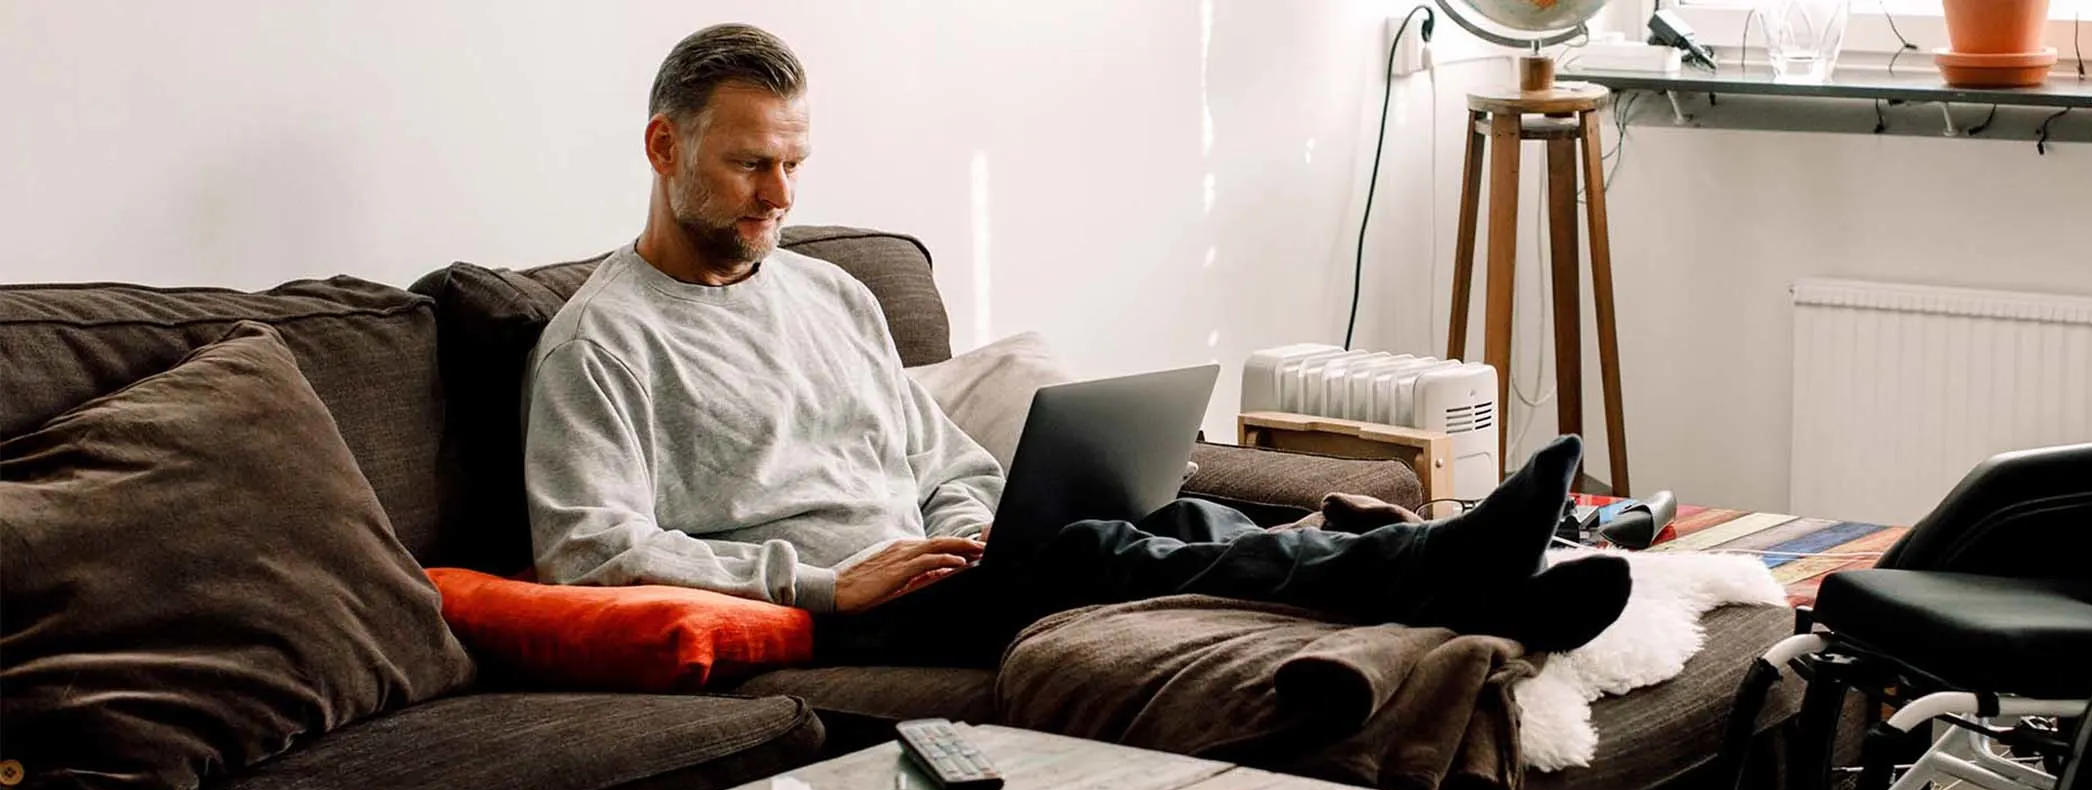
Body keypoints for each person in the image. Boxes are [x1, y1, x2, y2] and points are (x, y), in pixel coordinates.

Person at [521, 23, 1631, 669]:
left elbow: (947, 464)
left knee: (1170, 520)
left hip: (933, 578)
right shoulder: (600, 343)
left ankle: (1494, 592)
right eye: (749, 164)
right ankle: (1445, 563)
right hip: (832, 622)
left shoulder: (828, 293)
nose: (780, 194)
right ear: (664, 145)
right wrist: (828, 580)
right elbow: (584, 550)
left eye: (794, 164)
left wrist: (967, 534)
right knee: (1095, 554)